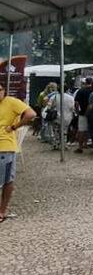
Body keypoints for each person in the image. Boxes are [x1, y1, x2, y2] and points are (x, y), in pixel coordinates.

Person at [0, 84, 36, 222]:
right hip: (5, 147)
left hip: (4, 147)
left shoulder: (11, 102)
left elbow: (31, 114)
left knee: (7, 180)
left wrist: (14, 126)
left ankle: (2, 210)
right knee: (6, 179)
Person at [46, 86, 75, 151]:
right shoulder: (71, 98)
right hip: (67, 117)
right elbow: (72, 108)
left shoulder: (54, 97)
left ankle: (56, 144)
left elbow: (48, 107)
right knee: (64, 131)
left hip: (56, 117)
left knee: (56, 131)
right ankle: (64, 145)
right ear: (67, 89)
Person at [74, 78, 93, 153]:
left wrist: (77, 111)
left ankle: (80, 146)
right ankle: (86, 143)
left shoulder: (81, 90)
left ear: (85, 82)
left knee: (82, 130)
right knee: (89, 129)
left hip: (82, 113)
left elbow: (76, 103)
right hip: (92, 113)